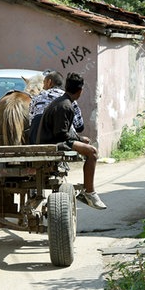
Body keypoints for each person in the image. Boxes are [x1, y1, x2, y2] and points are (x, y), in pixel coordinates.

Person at [37, 72, 106, 210]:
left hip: (53, 140)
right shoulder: (66, 106)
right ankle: (89, 192)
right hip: (53, 143)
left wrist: (80, 140)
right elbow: (61, 134)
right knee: (92, 152)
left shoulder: (64, 102)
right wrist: (80, 139)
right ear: (80, 91)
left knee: (87, 147)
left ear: (66, 87)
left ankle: (88, 191)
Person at [28, 70, 84, 144]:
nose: (43, 86)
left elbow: (31, 121)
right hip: (58, 141)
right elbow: (79, 126)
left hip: (36, 139)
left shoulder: (37, 97)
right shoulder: (68, 99)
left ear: (49, 82)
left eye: (44, 83)